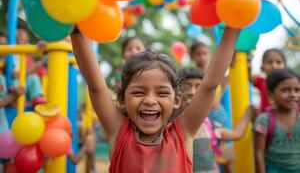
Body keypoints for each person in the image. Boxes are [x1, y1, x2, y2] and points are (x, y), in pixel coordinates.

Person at [70, 26, 240, 172]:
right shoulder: (119, 132)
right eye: (138, 93)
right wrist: (77, 29)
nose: (150, 100)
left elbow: (209, 85)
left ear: (176, 100)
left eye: (162, 93)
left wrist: (233, 26)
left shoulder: (183, 132)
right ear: (122, 99)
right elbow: (96, 85)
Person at [179, 67, 256, 173]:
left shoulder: (209, 123)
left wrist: (247, 115)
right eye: (186, 87)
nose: (192, 92)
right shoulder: (173, 124)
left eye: (198, 87)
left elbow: (236, 134)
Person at [253, 68, 300, 173]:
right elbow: (259, 153)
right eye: (286, 90)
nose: (293, 95)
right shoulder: (264, 120)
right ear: (270, 95)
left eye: (297, 90)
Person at [251, 49, 286, 113]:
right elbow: (249, 77)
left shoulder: (289, 84)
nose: (274, 66)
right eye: (269, 62)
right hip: (265, 121)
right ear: (262, 67)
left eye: (278, 62)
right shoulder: (262, 82)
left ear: (285, 66)